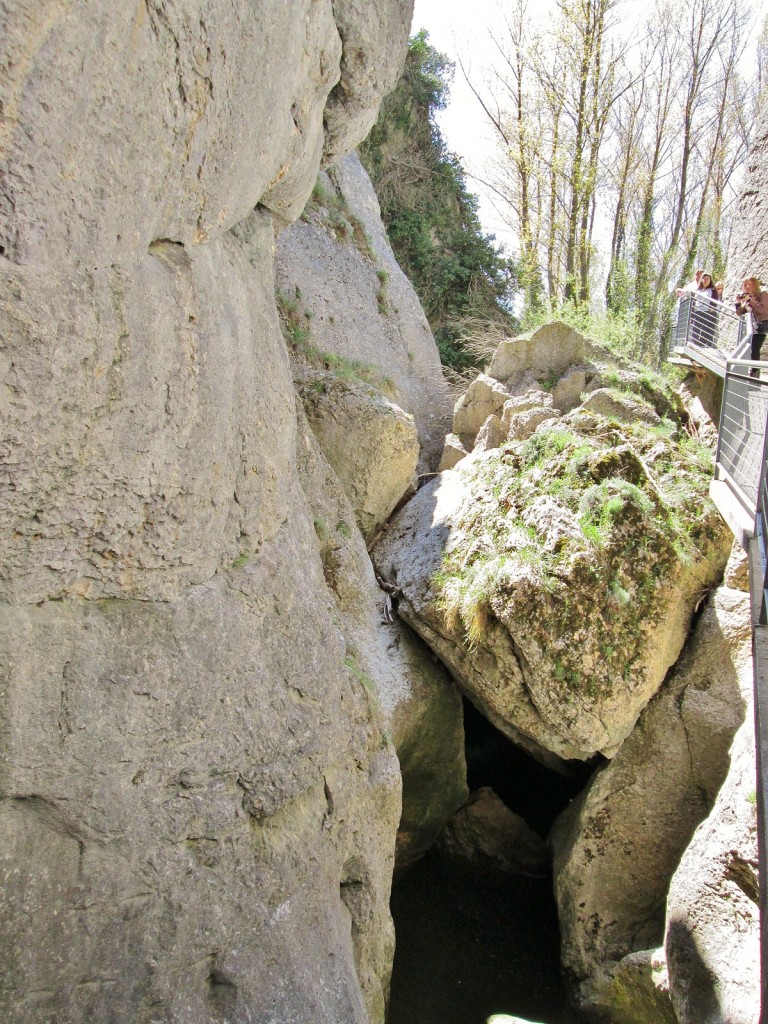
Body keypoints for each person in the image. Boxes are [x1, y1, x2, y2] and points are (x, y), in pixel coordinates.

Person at [735, 277, 768, 370]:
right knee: (752, 352)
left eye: (748, 284)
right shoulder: (748, 298)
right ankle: (753, 372)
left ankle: (754, 374)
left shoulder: (763, 294)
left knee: (755, 351)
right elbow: (739, 313)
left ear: (754, 285)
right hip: (752, 328)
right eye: (744, 285)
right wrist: (738, 302)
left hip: (761, 326)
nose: (746, 287)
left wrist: (749, 300)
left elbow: (761, 309)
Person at [689, 272, 717, 347]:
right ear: (701, 280)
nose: (705, 280)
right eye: (704, 278)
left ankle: (704, 344)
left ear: (710, 280)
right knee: (696, 328)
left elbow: (715, 300)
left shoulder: (713, 290)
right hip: (697, 311)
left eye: (707, 279)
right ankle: (695, 343)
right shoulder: (698, 290)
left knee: (706, 329)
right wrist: (692, 311)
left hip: (708, 311)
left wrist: (712, 308)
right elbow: (694, 301)